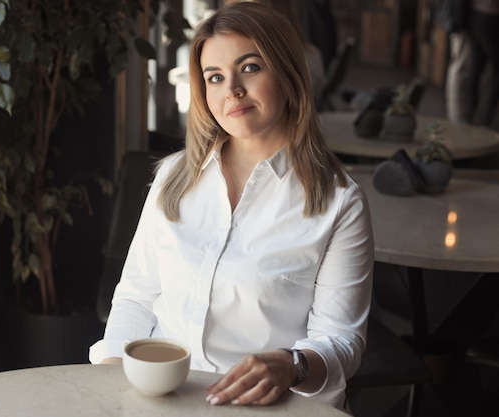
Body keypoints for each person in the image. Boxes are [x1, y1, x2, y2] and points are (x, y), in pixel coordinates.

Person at [89, 2, 374, 410]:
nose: (232, 91)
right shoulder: (174, 176)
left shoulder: (339, 203)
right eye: (215, 77)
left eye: (251, 68)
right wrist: (111, 388)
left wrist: (290, 365)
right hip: (170, 400)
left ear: (288, 72)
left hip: (274, 408)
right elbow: (136, 297)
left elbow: (341, 341)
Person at [444, 0, 499, 127]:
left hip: (480, 13)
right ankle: (464, 125)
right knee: (466, 68)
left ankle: (469, 125)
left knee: (476, 71)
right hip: (472, 13)